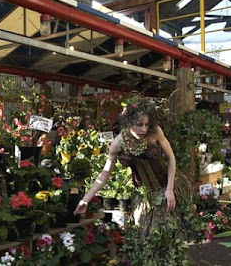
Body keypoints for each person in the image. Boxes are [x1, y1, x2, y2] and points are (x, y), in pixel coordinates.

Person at [74, 96, 196, 265]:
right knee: (143, 237)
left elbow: (171, 159)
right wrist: (86, 199)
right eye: (139, 124)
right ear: (128, 123)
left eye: (146, 124)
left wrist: (169, 190)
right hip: (142, 194)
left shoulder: (156, 132)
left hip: (162, 188)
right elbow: (104, 173)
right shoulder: (118, 142)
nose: (144, 129)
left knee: (165, 236)